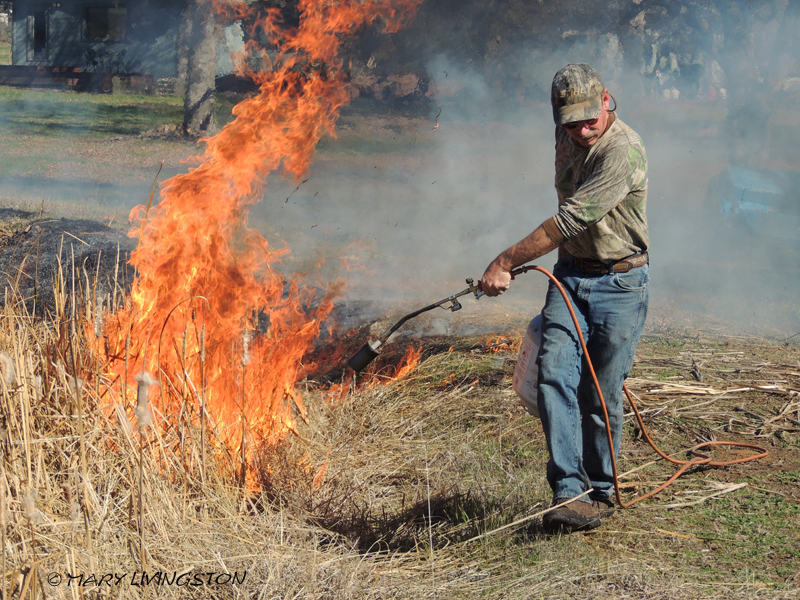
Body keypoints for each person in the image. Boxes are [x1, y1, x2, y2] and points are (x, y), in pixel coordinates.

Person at [480, 63, 649, 533]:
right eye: (570, 122)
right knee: (553, 375)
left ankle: (602, 491)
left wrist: (505, 260)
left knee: (601, 395)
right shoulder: (566, 135)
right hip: (570, 278)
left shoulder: (623, 151)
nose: (582, 129)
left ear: (607, 100)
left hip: (620, 283)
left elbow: (570, 220)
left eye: (589, 118)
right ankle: (569, 492)